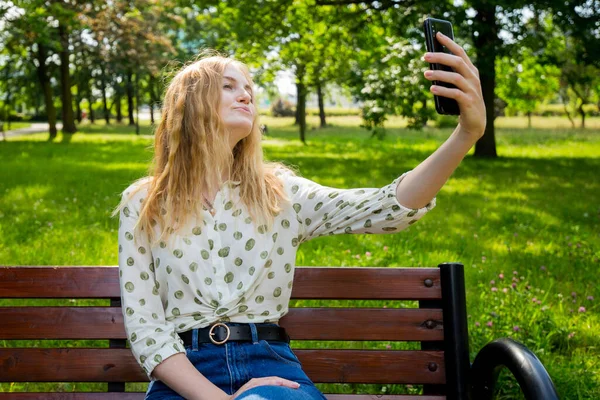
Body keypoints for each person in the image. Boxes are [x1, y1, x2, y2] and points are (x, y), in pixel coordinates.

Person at [115, 32, 485, 400]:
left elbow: (385, 208)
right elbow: (147, 329)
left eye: (248, 90)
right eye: (228, 86)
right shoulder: (144, 202)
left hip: (269, 366)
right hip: (183, 377)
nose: (246, 95)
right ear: (189, 105)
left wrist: (465, 134)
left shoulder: (279, 193)